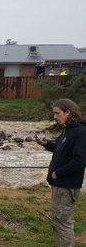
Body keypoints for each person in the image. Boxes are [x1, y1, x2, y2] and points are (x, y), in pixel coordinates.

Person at [36, 99, 86, 246]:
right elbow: (60, 148)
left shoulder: (81, 132)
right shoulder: (68, 129)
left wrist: (58, 173)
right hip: (59, 185)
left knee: (63, 223)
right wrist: (46, 144)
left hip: (66, 185)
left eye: (57, 113)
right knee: (59, 221)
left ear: (68, 112)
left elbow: (80, 160)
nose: (55, 117)